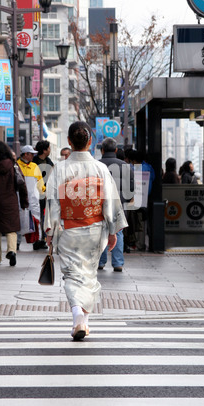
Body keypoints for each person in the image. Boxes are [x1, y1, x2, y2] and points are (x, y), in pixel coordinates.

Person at [44, 122, 128, 341]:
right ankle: (83, 321)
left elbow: (52, 202)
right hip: (94, 228)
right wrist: (113, 231)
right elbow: (110, 202)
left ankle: (77, 317)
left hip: (68, 228)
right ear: (90, 142)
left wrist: (50, 231)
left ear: (69, 142)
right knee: (90, 275)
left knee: (72, 275)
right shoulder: (100, 169)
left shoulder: (60, 169)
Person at [0, 141, 29, 267]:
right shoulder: (13, 165)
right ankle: (12, 251)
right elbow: (22, 184)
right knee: (11, 229)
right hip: (10, 201)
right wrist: (24, 201)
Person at [98, 138, 134, 272]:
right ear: (116, 150)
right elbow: (131, 186)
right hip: (119, 204)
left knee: (101, 232)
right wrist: (124, 200)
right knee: (118, 232)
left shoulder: (97, 164)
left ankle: (100, 262)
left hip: (100, 204)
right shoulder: (125, 165)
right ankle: (118, 263)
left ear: (102, 150)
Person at [17, 145, 45, 250]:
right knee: (19, 220)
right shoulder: (16, 166)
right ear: (25, 154)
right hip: (20, 199)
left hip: (33, 199)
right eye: (31, 154)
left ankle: (36, 241)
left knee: (36, 220)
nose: (33, 156)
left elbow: (40, 181)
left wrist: (43, 192)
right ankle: (17, 242)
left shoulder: (34, 166)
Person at [33, 141, 54, 249]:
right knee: (37, 216)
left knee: (45, 217)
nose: (50, 150)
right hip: (36, 193)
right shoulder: (34, 162)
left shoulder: (50, 162)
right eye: (49, 148)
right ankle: (37, 240)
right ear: (45, 150)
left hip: (47, 194)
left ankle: (43, 239)